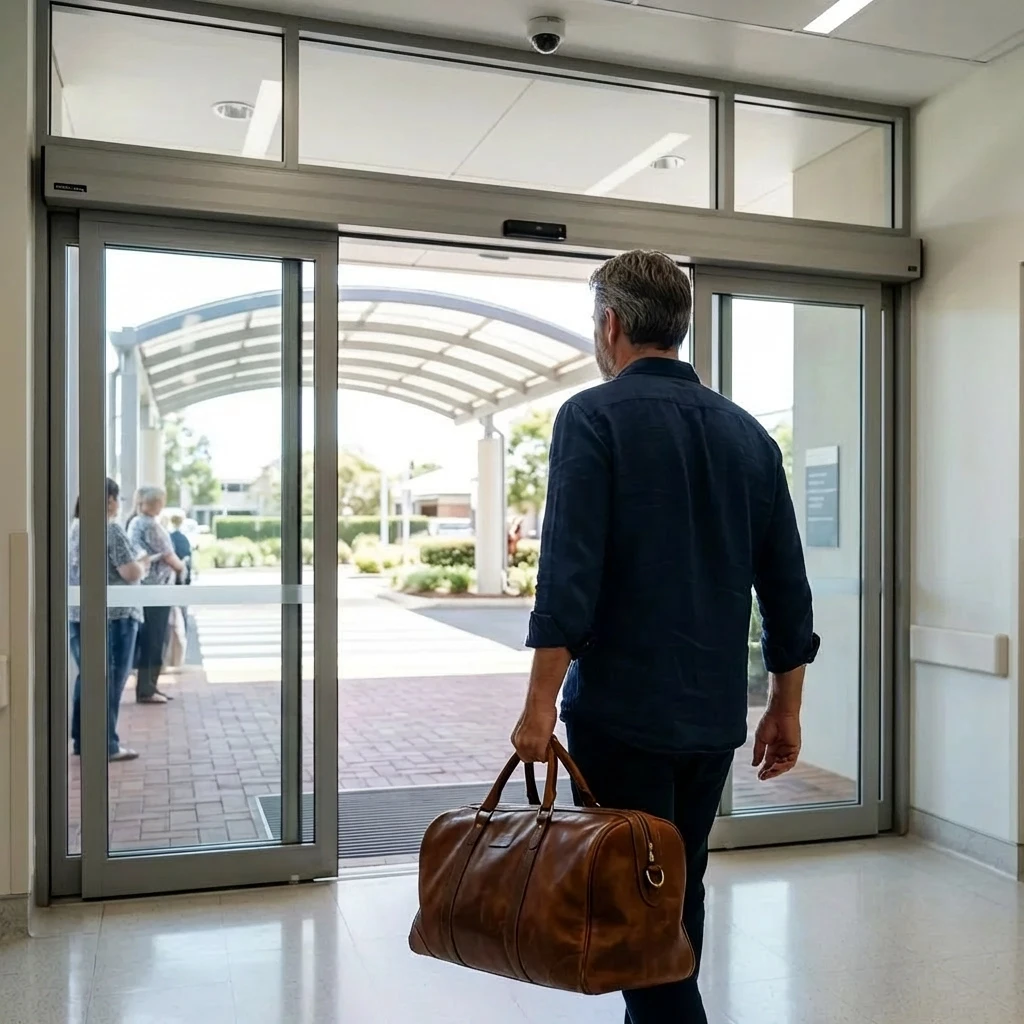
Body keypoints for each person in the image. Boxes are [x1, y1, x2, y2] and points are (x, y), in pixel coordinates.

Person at [511, 251, 818, 1024]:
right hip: (713, 716)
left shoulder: (593, 416)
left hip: (621, 715)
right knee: (679, 885)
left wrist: (539, 704)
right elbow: (786, 587)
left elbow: (568, 578)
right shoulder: (749, 435)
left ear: (610, 325)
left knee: (635, 904)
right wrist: (786, 707)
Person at [68, 477, 151, 762]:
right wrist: (143, 563)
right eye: (118, 499)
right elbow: (130, 573)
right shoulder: (110, 529)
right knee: (110, 680)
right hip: (115, 617)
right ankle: (107, 744)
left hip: (79, 615)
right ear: (110, 500)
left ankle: (80, 740)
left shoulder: (75, 528)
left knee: (88, 678)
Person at [128, 486, 186, 704]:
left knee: (149, 639)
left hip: (146, 588)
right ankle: (148, 687)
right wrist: (182, 568)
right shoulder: (149, 525)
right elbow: (170, 556)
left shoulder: (134, 522)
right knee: (155, 639)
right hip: (157, 589)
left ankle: (147, 686)